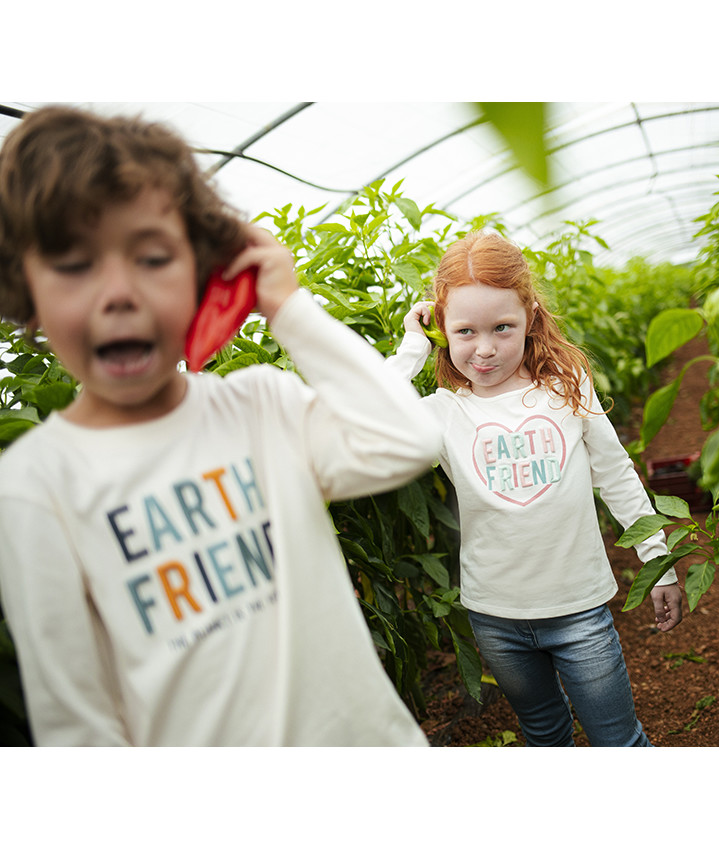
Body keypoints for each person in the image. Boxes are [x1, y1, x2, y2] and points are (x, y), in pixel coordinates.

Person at [0, 106, 442, 746]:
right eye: (73, 265)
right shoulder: (35, 484)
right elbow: (80, 726)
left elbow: (408, 440)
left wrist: (287, 306)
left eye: (154, 257)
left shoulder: (260, 406)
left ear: (204, 272)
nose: (119, 293)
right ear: (25, 291)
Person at [387, 230, 683, 747]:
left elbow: (614, 472)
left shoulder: (565, 386)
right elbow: (369, 411)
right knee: (543, 734)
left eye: (502, 327)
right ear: (442, 332)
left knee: (618, 740)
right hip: (496, 617)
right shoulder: (444, 412)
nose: (485, 349)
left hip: (579, 608)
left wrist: (658, 559)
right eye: (464, 331)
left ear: (530, 317)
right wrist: (413, 345)